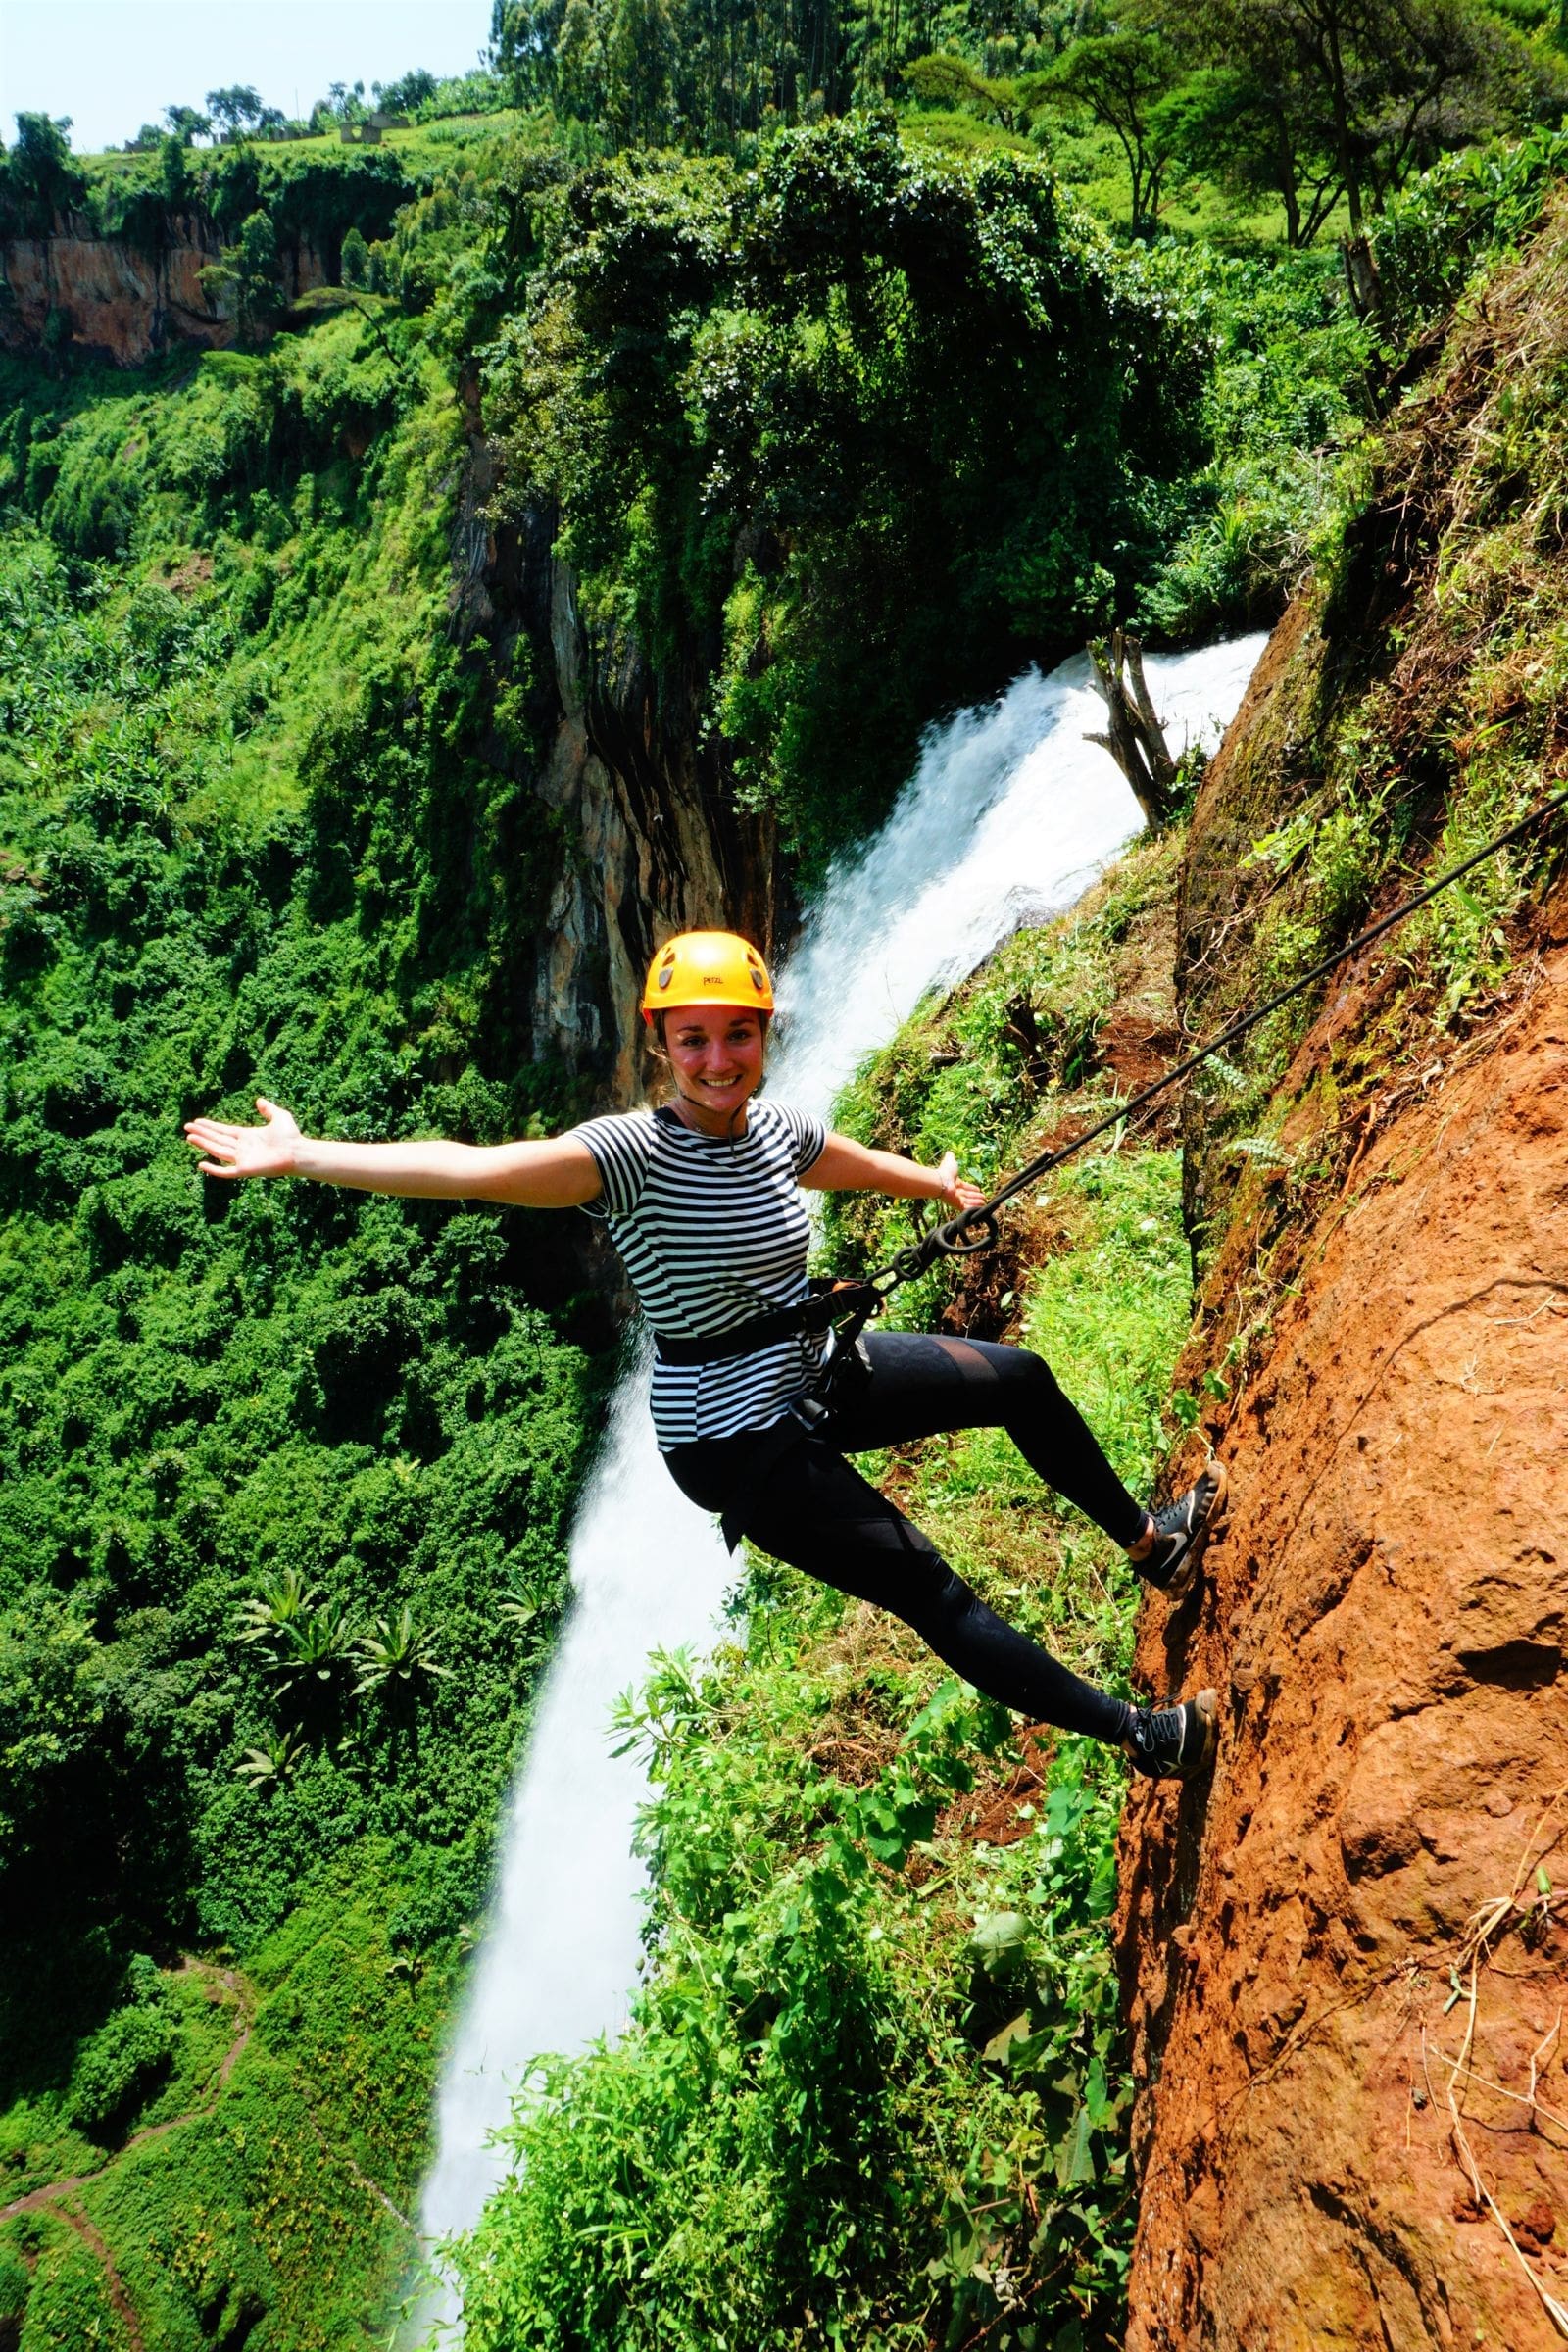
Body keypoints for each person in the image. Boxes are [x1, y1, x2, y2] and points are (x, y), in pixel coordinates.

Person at [185, 930, 1226, 1778]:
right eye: (693, 1041)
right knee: (932, 1591)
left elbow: (838, 1161)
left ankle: (1151, 1545)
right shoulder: (625, 1156)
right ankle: (1142, 1737)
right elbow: (470, 1169)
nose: (718, 1060)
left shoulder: (770, 1127)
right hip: (732, 1440)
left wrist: (933, 1187)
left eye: (738, 1035)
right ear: (659, 1045)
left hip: (809, 1370)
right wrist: (306, 1155)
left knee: (1022, 1382)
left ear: (763, 1034)